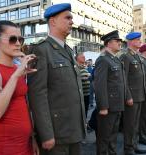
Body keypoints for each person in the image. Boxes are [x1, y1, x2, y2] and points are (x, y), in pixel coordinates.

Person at [27, 3, 86, 155]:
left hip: (74, 129)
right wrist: (46, 134)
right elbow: (37, 95)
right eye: (67, 18)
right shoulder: (41, 49)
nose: (72, 22)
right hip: (57, 133)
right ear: (52, 21)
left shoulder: (67, 50)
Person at [0, 20, 39, 155]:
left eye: (20, 39)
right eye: (12, 39)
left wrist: (32, 138)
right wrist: (15, 76)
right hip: (4, 146)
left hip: (25, 144)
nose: (18, 43)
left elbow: (24, 106)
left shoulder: (18, 68)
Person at [94, 30, 127, 155]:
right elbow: (99, 85)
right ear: (109, 43)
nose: (120, 43)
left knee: (113, 135)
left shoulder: (115, 59)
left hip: (117, 105)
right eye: (117, 41)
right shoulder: (103, 60)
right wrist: (103, 106)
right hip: (108, 107)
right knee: (104, 138)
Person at [120, 32, 146, 155]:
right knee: (130, 124)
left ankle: (134, 145)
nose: (140, 41)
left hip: (139, 95)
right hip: (132, 97)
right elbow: (123, 78)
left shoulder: (136, 56)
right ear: (130, 42)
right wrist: (128, 96)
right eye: (137, 40)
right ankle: (128, 148)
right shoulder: (126, 56)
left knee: (135, 123)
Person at [76, 52, 91, 118]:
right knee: (80, 112)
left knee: (85, 111)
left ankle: (85, 125)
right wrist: (87, 77)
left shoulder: (84, 68)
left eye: (84, 56)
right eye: (82, 56)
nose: (84, 57)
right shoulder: (76, 68)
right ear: (77, 58)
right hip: (80, 95)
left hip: (87, 94)